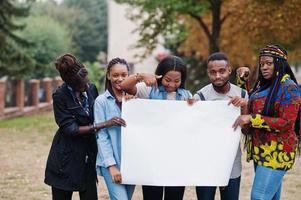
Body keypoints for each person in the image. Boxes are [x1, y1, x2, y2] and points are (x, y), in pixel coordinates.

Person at [44, 54, 125, 200]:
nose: (86, 85)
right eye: (82, 85)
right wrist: (105, 124)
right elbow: (71, 129)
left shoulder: (91, 89)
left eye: (87, 81)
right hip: (65, 159)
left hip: (87, 157)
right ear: (71, 84)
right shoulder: (60, 96)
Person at [232, 44, 301, 200]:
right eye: (262, 64)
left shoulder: (289, 88)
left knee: (259, 197)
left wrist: (252, 118)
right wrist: (242, 81)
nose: (264, 67)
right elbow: (251, 103)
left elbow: (286, 122)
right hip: (261, 151)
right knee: (271, 197)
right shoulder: (263, 85)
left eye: (269, 63)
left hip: (278, 152)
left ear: (279, 63)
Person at [120, 55, 192, 200]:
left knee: (175, 196)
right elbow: (125, 86)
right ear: (160, 76)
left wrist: (193, 107)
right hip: (151, 159)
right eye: (167, 80)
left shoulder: (186, 96)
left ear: (182, 80)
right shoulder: (148, 90)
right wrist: (140, 76)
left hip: (176, 159)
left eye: (177, 81)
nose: (171, 84)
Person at [193, 52, 247, 200]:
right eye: (213, 72)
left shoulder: (242, 94)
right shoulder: (200, 97)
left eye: (221, 71)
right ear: (208, 73)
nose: (217, 76)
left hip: (231, 163)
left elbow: (248, 131)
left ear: (229, 70)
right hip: (206, 163)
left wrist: (244, 107)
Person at [94, 58, 135, 200]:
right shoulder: (101, 101)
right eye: (115, 75)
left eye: (124, 75)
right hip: (111, 161)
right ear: (108, 76)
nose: (120, 79)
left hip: (132, 161)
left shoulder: (135, 99)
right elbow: (101, 136)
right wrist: (111, 166)